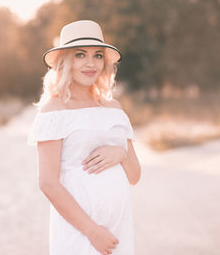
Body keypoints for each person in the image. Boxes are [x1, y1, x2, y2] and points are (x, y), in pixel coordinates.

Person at [27, 20, 141, 255]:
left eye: (98, 55)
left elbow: (135, 175)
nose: (91, 63)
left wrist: (120, 153)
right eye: (81, 55)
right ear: (65, 61)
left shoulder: (113, 107)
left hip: (119, 227)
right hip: (79, 231)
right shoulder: (54, 109)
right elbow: (48, 183)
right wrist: (92, 231)